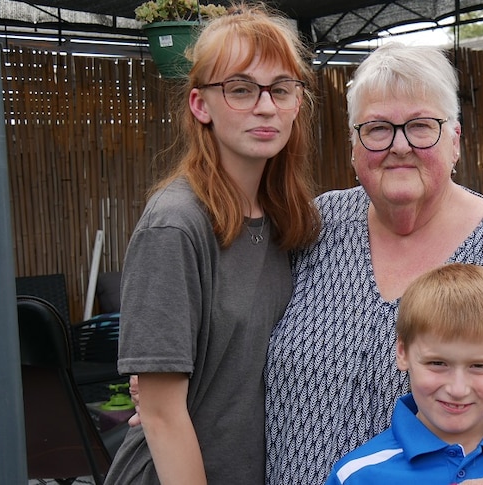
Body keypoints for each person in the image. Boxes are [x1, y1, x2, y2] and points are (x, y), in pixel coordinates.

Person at [264, 42, 483, 485]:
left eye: (421, 126)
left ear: (455, 141)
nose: (399, 146)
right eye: (377, 128)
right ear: (354, 146)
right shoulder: (316, 227)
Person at [105, 3, 320, 484]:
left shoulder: (289, 221)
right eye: (240, 89)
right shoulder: (176, 226)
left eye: (281, 89)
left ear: (296, 104)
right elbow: (161, 415)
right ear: (201, 105)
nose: (265, 106)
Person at [325, 263, 483, 484]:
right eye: (437, 363)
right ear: (402, 352)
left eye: (479, 366)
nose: (457, 389)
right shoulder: (356, 476)